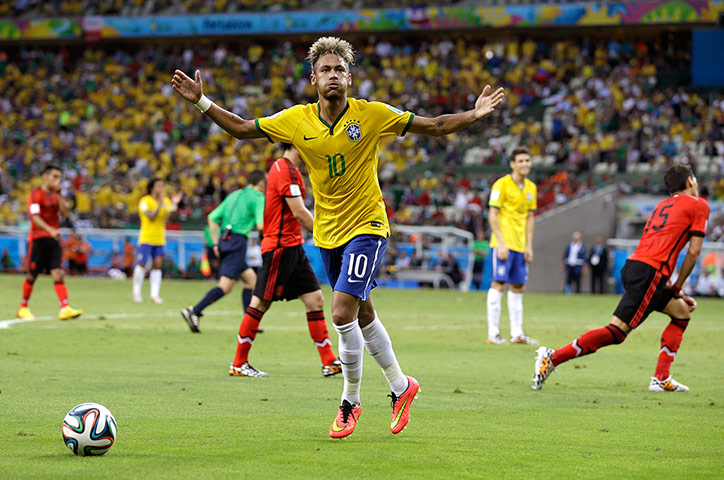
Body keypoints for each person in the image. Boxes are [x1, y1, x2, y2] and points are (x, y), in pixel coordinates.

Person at [172, 36, 504, 438]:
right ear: (314, 79)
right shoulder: (298, 120)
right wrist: (201, 102)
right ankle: (402, 387)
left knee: (341, 312)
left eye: (340, 70)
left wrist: (474, 114)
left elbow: (433, 126)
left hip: (367, 226)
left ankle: (350, 401)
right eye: (326, 70)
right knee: (362, 313)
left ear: (350, 78)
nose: (333, 75)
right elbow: (242, 129)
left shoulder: (372, 114)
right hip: (328, 234)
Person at [532, 165, 709, 392]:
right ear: (690, 181)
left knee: (681, 312)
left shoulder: (662, 205)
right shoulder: (698, 204)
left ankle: (661, 378)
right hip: (650, 273)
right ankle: (552, 357)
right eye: (694, 179)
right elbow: (693, 252)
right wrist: (677, 286)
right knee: (617, 332)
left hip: (637, 267)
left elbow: (659, 248)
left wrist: (677, 292)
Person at [219, 144, 342, 378]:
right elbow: (298, 212)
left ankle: (329, 362)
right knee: (260, 303)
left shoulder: (288, 170)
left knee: (315, 299)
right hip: (279, 247)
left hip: (293, 246)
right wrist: (326, 234)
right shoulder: (284, 170)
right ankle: (238, 363)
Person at [181, 170, 266, 327]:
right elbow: (261, 225)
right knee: (225, 286)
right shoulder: (258, 197)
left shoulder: (234, 195)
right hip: (238, 241)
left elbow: (212, 218)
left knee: (251, 281)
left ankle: (249, 324)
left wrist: (215, 243)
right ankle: (194, 310)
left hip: (225, 240)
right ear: (261, 182)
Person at [486, 146, 539, 345]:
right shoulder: (501, 185)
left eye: (528, 160)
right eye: (521, 161)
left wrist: (529, 246)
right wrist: (500, 243)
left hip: (520, 245)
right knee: (498, 284)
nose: (525, 164)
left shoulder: (531, 188)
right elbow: (493, 214)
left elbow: (530, 218)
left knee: (518, 286)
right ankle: (494, 333)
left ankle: (517, 333)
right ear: (512, 164)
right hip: (503, 243)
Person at [16, 165, 82, 320]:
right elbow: (34, 216)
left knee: (58, 272)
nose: (58, 180)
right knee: (32, 274)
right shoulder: (35, 194)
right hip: (38, 239)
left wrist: (60, 195)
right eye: (55, 176)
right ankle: (23, 307)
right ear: (45, 176)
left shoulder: (55, 196)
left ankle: (64, 307)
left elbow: (65, 214)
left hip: (53, 240)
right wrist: (50, 229)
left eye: (59, 177)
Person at [132, 178, 182, 304]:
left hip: (160, 239)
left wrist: (174, 205)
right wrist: (160, 203)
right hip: (146, 238)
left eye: (162, 185)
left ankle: (154, 296)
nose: (161, 188)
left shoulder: (166, 201)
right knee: (142, 264)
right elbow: (151, 217)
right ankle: (136, 294)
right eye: (159, 186)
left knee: (158, 265)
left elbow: (170, 218)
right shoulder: (145, 201)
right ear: (152, 188)